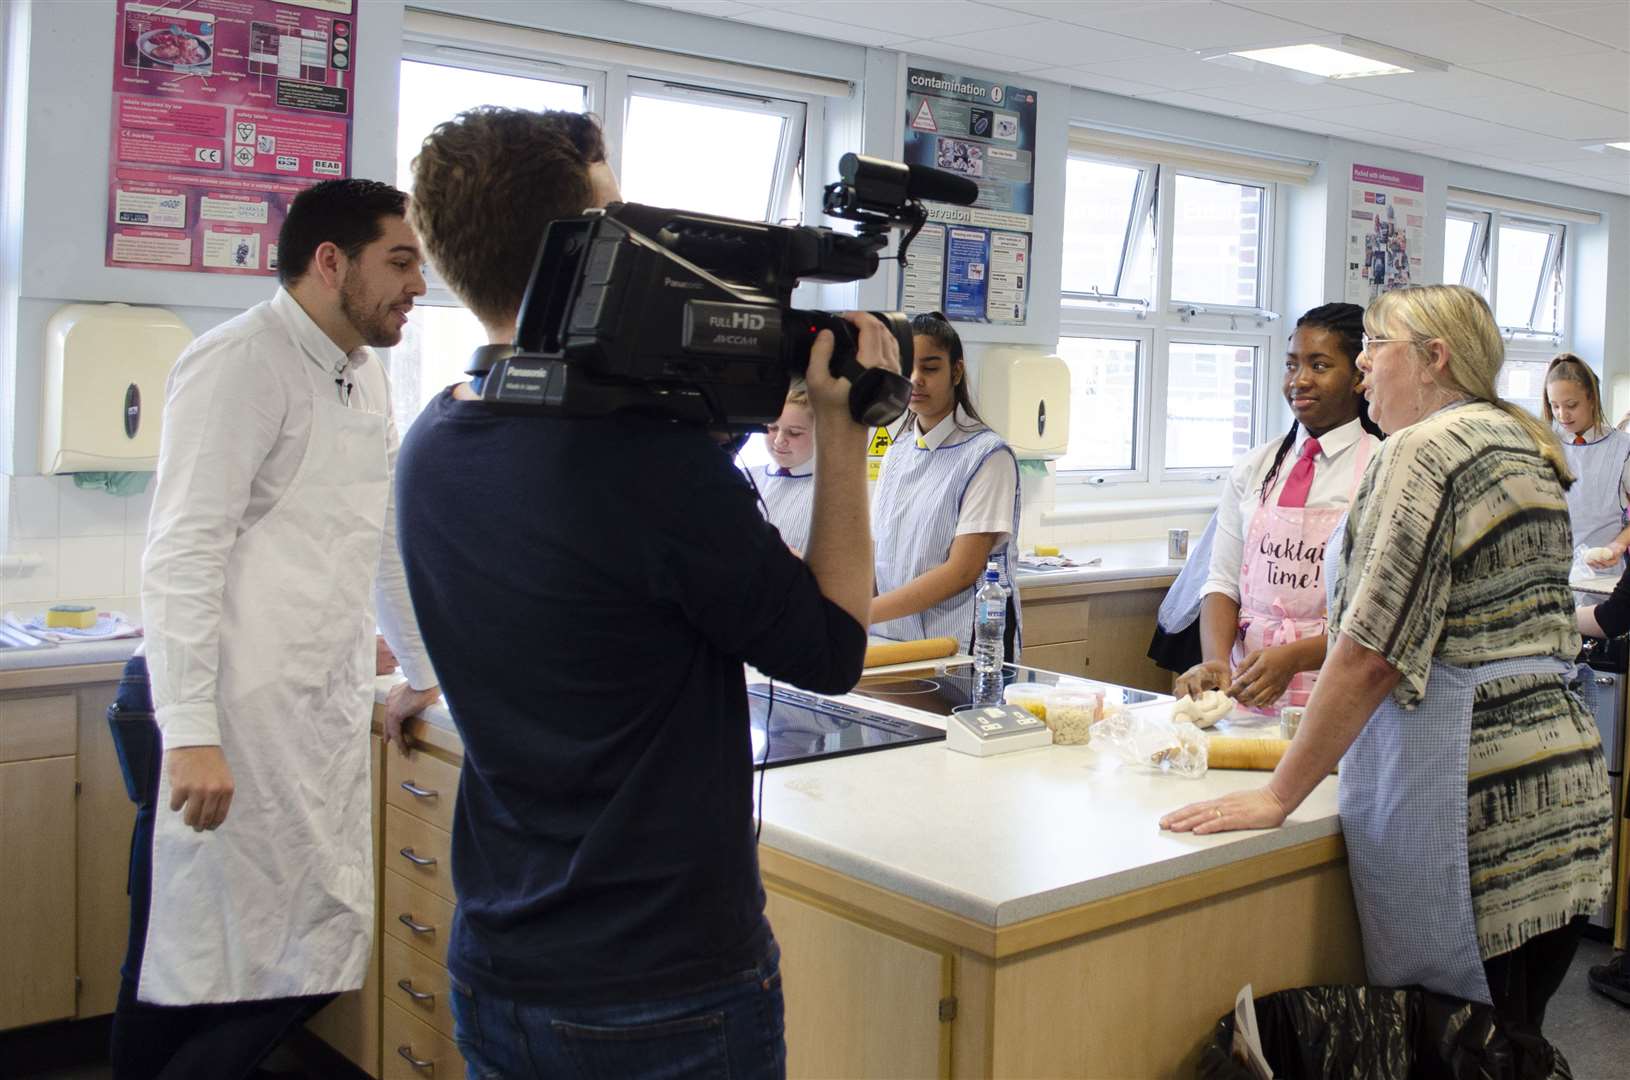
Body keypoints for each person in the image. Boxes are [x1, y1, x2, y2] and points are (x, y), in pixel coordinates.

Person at [396, 106, 895, 1078]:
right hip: (657, 986)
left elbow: (630, 522)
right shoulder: (644, 470)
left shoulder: (431, 440)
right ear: (587, 245)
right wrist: (843, 431)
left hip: (500, 959)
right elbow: (831, 648)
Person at [1163, 285, 1613, 1075]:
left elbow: (1371, 650)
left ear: (1434, 358)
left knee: (1459, 1046)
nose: (1363, 365)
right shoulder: (1521, 442)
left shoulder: (1424, 450)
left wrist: (1277, 796)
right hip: (1556, 793)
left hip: (1472, 805)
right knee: (1514, 1045)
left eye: (1376, 345)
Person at [113, 179, 442, 1080]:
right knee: (180, 970)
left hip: (294, 718)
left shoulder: (363, 375)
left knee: (298, 954)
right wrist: (191, 734)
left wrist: (418, 664)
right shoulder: (238, 363)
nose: (420, 285)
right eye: (401, 261)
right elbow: (181, 557)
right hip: (206, 716)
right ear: (330, 263)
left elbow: (380, 539)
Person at [1174, 303, 1382, 714]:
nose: (1299, 381)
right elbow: (1221, 582)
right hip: (1249, 685)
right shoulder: (1255, 467)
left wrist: (1294, 658)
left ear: (1359, 376)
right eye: (1291, 366)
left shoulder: (1382, 467)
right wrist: (1217, 659)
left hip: (1339, 689)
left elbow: (1379, 615)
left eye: (1319, 366)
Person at [870, 311, 1021, 657]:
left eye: (931, 367)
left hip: (960, 648)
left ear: (956, 371)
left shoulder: (988, 455)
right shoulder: (897, 451)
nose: (916, 379)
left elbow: (962, 570)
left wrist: (866, 614)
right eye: (907, 368)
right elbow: (877, 549)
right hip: (893, 641)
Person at [1545, 353, 1630, 569]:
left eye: (1571, 405)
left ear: (1592, 398)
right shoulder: (1546, 446)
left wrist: (1618, 545)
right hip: (1553, 571)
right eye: (1555, 406)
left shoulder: (1622, 448)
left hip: (1605, 573)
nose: (1562, 414)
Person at [746, 386, 815, 554]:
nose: (779, 440)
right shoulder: (744, 477)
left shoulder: (831, 495)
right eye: (772, 428)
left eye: (794, 433)